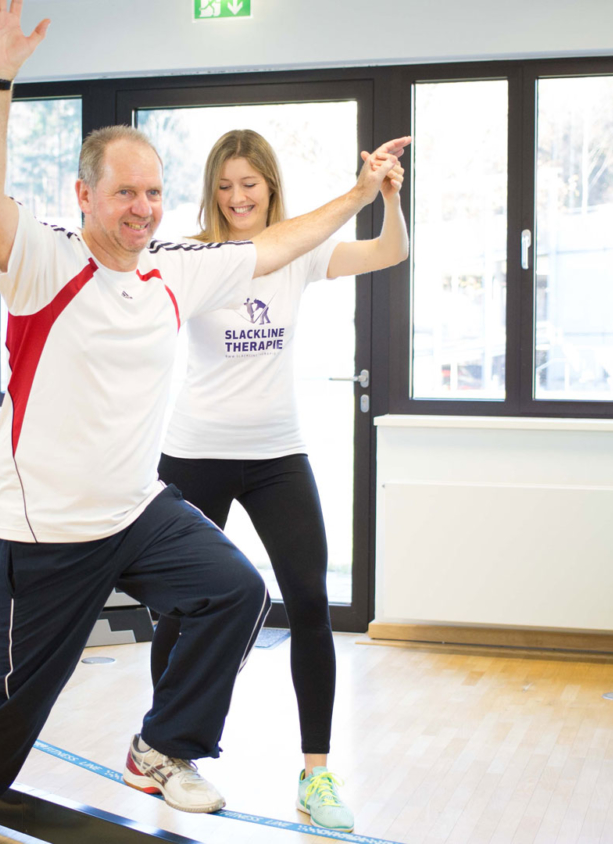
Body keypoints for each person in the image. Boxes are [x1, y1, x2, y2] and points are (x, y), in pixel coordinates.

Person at [0, 3, 409, 842]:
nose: (141, 208)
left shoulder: (178, 272)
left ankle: (163, 745)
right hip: (44, 530)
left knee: (236, 590)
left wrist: (361, 193)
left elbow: (282, 246)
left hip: (136, 510)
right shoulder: (43, 261)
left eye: (153, 192)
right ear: (85, 195)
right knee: (17, 694)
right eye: (125, 192)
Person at [152, 129, 408, 833]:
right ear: (213, 191)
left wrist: (385, 198)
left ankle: (316, 775)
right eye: (226, 185)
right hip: (195, 451)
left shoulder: (300, 252)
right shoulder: (195, 257)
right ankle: (167, 754)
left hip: (276, 454)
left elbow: (391, 252)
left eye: (250, 184)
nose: (238, 197)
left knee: (309, 604)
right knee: (181, 609)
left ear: (269, 186)